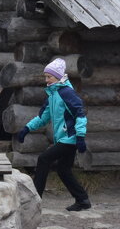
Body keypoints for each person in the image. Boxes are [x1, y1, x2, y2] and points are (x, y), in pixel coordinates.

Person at [16, 58, 91, 211]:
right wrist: (26, 129)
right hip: (63, 139)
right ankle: (83, 200)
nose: (46, 80)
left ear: (58, 77)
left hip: (69, 138)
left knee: (43, 159)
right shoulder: (52, 94)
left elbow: (80, 114)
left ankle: (35, 199)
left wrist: (81, 137)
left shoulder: (66, 93)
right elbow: (43, 117)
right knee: (63, 170)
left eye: (49, 76)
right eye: (45, 76)